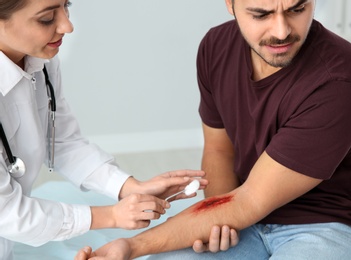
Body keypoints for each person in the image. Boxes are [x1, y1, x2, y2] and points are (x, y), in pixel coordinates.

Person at [75, 0, 351, 259]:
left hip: (328, 224)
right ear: (230, 4)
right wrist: (216, 223)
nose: (281, 31)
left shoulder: (338, 80)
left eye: (297, 9)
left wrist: (132, 245)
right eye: (261, 14)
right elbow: (219, 149)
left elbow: (251, 200)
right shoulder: (216, 47)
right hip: (244, 213)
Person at [0, 0, 240, 259]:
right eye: (47, 19)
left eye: (66, 5)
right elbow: (8, 213)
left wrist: (129, 187)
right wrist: (111, 215)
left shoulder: (39, 60)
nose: (67, 26)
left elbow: (62, 142)